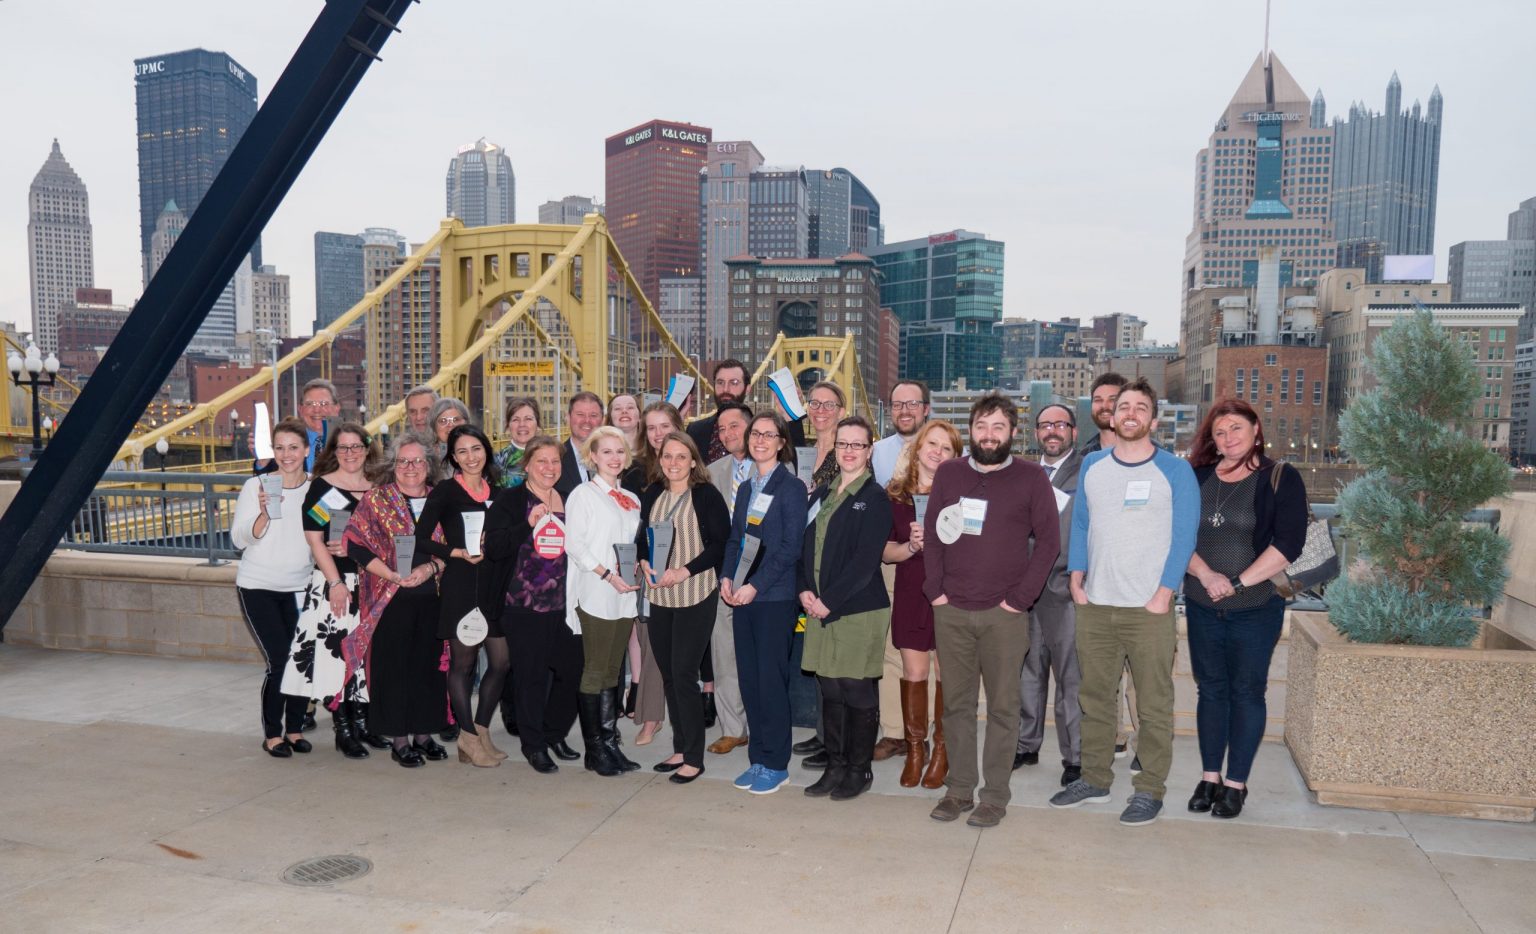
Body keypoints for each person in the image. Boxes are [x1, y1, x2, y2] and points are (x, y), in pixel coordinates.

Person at [1051, 377, 1199, 826]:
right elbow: (1080, 527)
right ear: (1112, 417)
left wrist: (1164, 593)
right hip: (1095, 603)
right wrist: (1077, 578)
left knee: (1153, 704)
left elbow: (1184, 536)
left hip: (1148, 609)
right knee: (1095, 698)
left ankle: (1149, 788)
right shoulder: (1094, 465)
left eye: (1140, 407)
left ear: (1153, 419)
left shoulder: (1175, 470)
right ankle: (1095, 778)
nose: (1130, 413)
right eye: (1123, 406)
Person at [923, 393, 1060, 829]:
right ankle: (959, 789)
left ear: (1013, 433)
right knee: (956, 707)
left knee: (1003, 708)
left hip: (1005, 615)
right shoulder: (949, 473)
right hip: (952, 611)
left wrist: (1019, 600)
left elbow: (1049, 544)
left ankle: (995, 795)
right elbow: (932, 532)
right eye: (981, 426)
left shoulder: (1032, 477)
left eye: (998, 427)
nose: (988, 435)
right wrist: (936, 593)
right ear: (971, 431)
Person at [1183, 400, 1308, 819]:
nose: (1228, 438)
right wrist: (1206, 576)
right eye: (1219, 432)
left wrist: (1236, 583)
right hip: (1202, 604)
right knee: (1211, 689)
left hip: (1256, 606)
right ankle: (1209, 776)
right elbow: (1176, 536)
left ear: (1256, 429)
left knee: (1247, 692)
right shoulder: (1196, 476)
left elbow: (1288, 545)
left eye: (1236, 428)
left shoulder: (1280, 478)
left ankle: (1236, 783)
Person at [797, 416, 893, 800]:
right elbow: (803, 548)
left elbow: (864, 562)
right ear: (835, 449)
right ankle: (834, 765)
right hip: (818, 606)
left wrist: (827, 602)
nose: (849, 451)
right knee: (830, 687)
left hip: (856, 609)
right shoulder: (821, 494)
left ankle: (859, 769)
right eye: (843, 444)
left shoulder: (876, 499)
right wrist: (803, 590)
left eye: (857, 444)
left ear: (869, 451)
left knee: (856, 689)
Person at [342, 432, 449, 767]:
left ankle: (423, 734)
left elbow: (455, 549)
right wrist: (392, 576)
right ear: (394, 465)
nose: (411, 467)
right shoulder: (376, 500)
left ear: (429, 465)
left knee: (427, 669)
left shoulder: (441, 500)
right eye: (403, 461)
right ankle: (400, 740)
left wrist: (430, 568)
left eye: (418, 460)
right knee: (394, 669)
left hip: (432, 596)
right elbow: (354, 544)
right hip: (389, 599)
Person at [280, 422, 385, 758]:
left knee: (364, 658)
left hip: (371, 585)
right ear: (334, 452)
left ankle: (362, 723)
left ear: (367, 449)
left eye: (356, 447)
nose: (350, 454)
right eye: (343, 448)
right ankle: (342, 729)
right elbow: (315, 539)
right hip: (337, 586)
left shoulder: (378, 488)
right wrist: (335, 583)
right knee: (337, 658)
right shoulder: (325, 489)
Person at [721, 410, 809, 796]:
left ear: (781, 442)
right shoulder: (745, 488)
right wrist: (726, 577)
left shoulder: (790, 488)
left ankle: (776, 764)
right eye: (755, 433)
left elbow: (790, 548)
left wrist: (754, 586)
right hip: (741, 596)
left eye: (768, 435)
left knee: (771, 682)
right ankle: (757, 758)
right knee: (750, 681)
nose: (759, 440)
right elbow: (735, 540)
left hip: (773, 597)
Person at [484, 435, 583, 773]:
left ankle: (554, 732)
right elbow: (494, 547)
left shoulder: (570, 501)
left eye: (555, 461)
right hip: (523, 605)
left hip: (564, 604)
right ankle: (533, 744)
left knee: (573, 671)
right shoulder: (510, 501)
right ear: (526, 465)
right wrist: (527, 524)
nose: (549, 468)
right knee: (531, 676)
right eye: (541, 461)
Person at [635, 432, 730, 784]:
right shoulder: (654, 494)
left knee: (685, 673)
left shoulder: (706, 496)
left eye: (680, 456)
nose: (673, 463)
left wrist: (684, 571)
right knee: (670, 675)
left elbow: (721, 544)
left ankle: (694, 757)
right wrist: (644, 561)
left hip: (695, 594)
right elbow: (641, 536)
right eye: (667, 456)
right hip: (660, 597)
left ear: (693, 461)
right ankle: (680, 747)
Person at [415, 424, 508, 768]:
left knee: (500, 662)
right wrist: (454, 552)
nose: (471, 457)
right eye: (463, 452)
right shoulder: (444, 491)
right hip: (461, 586)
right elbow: (420, 537)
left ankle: (480, 731)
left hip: (491, 587)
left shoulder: (496, 491)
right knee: (463, 664)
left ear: (486, 450)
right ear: (453, 457)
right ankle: (467, 737)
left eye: (477, 449)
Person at [883, 419, 963, 789]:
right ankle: (917, 749)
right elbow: (885, 551)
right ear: (918, 448)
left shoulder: (963, 496)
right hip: (912, 588)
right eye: (932, 444)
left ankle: (943, 751)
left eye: (947, 448)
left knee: (946, 672)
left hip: (952, 591)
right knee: (913, 672)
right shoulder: (895, 494)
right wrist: (911, 546)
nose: (938, 452)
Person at [565, 425, 644, 776]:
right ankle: (594, 748)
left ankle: (611, 743)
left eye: (619, 451)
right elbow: (575, 545)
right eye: (606, 451)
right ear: (593, 457)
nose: (614, 458)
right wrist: (607, 575)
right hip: (597, 590)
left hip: (624, 594)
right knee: (595, 669)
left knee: (615, 670)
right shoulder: (582, 495)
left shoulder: (632, 499)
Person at [233, 418, 314, 757]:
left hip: (301, 586)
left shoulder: (317, 488)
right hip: (258, 585)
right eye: (279, 447)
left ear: (306, 450)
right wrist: (263, 514)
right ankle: (272, 734)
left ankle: (295, 729)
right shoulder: (257, 486)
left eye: (293, 447)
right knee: (280, 660)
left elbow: (325, 534)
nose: (286, 454)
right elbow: (239, 539)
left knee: (300, 661)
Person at [1014, 404, 1085, 787]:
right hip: (1024, 590)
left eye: (1060, 424)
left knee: (1071, 679)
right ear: (1036, 432)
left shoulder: (1088, 472)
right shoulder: (1024, 473)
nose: (1052, 431)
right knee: (1027, 673)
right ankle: (1026, 744)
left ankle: (1075, 757)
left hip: (1067, 588)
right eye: (1045, 425)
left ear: (1073, 431)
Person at [1080, 371, 1138, 762]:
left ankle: (1146, 744)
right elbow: (1079, 524)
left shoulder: (1159, 459)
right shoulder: (1083, 457)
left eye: (1112, 399)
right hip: (1096, 585)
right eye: (1098, 400)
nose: (1105, 406)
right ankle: (1113, 737)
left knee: (1143, 677)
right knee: (1103, 672)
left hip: (1142, 585)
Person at [622, 401, 685, 743]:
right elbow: (634, 523)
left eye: (665, 425)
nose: (659, 433)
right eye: (652, 427)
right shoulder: (635, 473)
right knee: (649, 642)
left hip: (686, 571)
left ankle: (669, 717)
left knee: (674, 649)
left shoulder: (692, 468)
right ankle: (650, 717)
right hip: (646, 567)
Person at [703, 401, 754, 755]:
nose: (728, 434)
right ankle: (733, 728)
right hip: (721, 577)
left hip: (765, 579)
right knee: (723, 656)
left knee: (761, 657)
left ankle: (760, 723)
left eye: (735, 426)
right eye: (722, 429)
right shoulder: (712, 472)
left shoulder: (777, 470)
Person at [687, 359, 806, 462]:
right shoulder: (695, 431)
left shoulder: (763, 430)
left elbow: (796, 463)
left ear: (748, 389)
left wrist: (791, 414)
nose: (725, 389)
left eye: (734, 383)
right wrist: (674, 417)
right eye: (720, 383)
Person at [253, 378, 339, 474]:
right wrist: (263, 461)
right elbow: (269, 485)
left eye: (324, 404)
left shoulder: (351, 444)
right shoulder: (284, 445)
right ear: (300, 409)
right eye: (310, 404)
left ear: (337, 408)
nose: (317, 410)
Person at [871, 379, 930, 486]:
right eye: (897, 405)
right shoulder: (875, 453)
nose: (904, 411)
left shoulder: (951, 451)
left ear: (926, 409)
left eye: (912, 404)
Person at [557, 391, 605, 497]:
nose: (587, 420)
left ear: (602, 420)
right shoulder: (556, 458)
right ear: (568, 418)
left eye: (593, 415)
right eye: (580, 414)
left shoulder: (613, 458)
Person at [803, 381, 847, 490]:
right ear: (808, 409)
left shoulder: (849, 453)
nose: (820, 410)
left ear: (841, 412)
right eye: (814, 403)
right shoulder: (804, 452)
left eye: (829, 405)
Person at [494, 397, 541, 488]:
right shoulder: (496, 462)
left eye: (528, 419)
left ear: (538, 425)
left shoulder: (551, 457)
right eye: (516, 420)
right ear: (508, 426)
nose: (522, 424)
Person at [429, 398, 474, 481]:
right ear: (434, 426)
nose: (450, 425)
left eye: (456, 420)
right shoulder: (425, 458)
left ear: (466, 422)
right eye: (443, 421)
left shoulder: (479, 453)